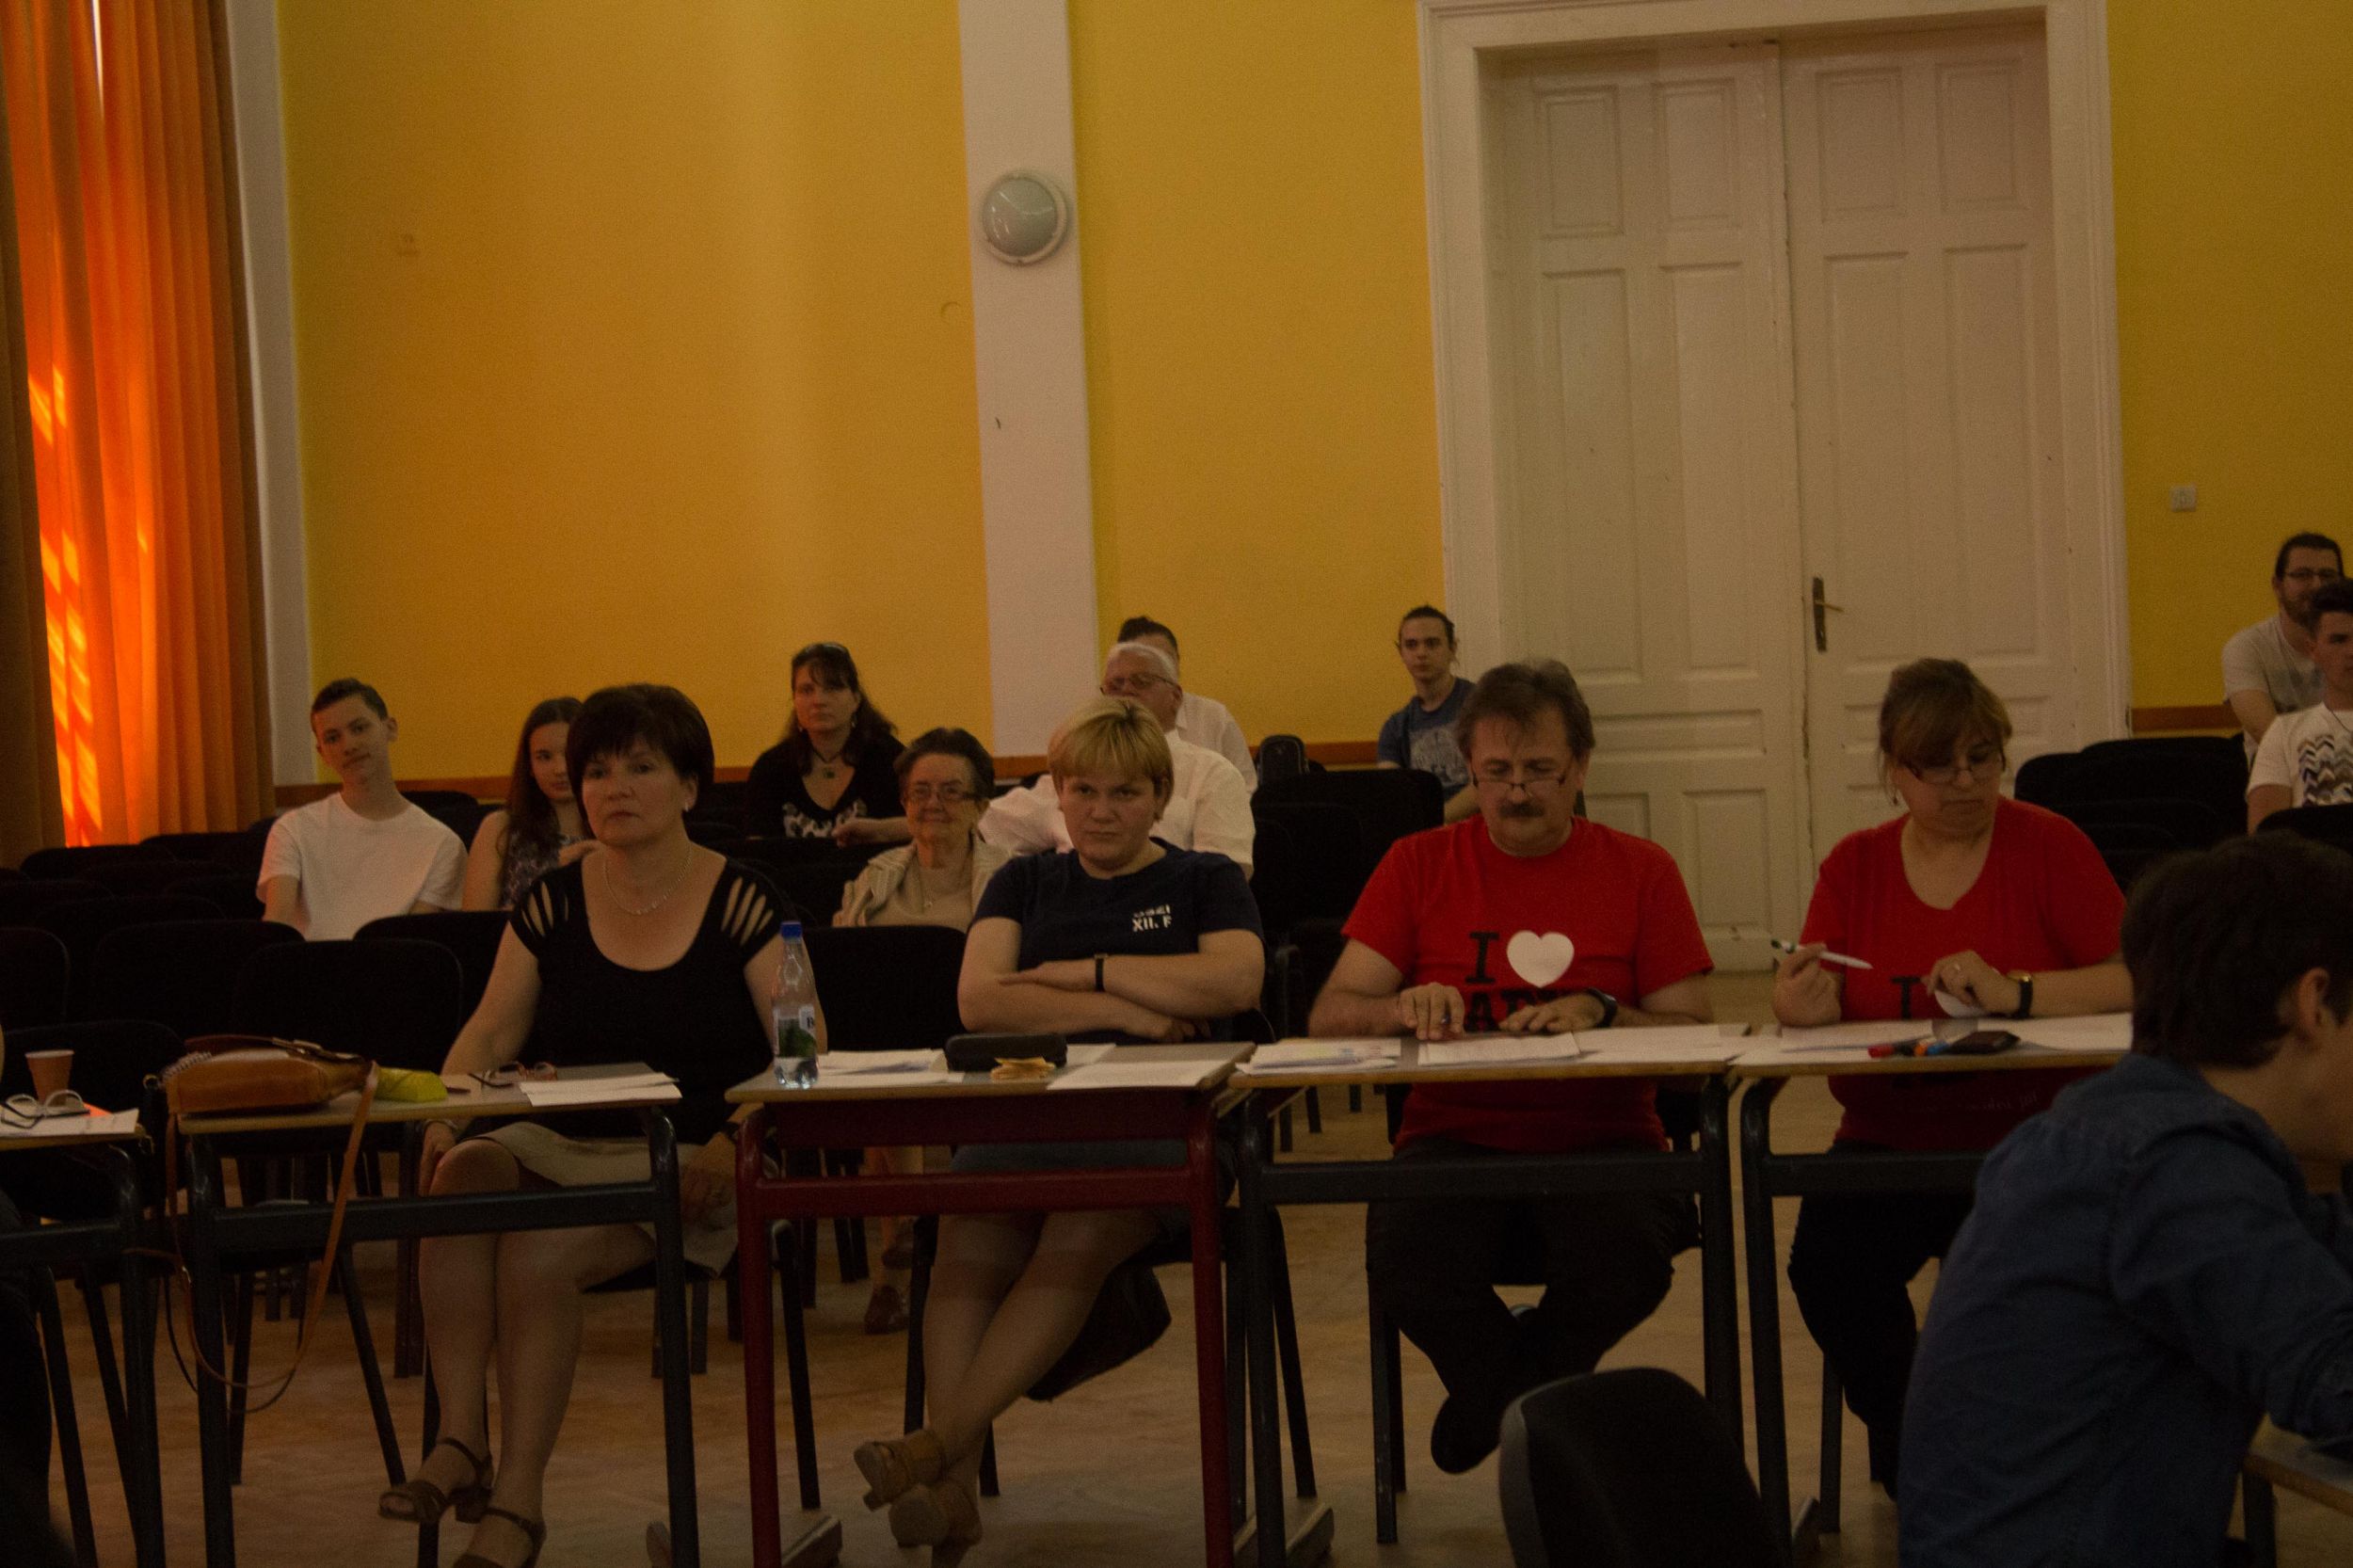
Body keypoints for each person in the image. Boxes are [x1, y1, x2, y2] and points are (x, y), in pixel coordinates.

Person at [386, 684, 806, 1568]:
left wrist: (735, 1138)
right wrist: (444, 1114)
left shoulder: (745, 900)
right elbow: (491, 1032)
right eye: (598, 772)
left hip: (694, 1154)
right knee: (460, 1177)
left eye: (641, 768)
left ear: (690, 787)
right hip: (566, 1137)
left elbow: (802, 1057)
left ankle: (518, 1505)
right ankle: (462, 1437)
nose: (614, 788)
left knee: (537, 1256)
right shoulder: (552, 901)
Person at [852, 697, 1263, 1564]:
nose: (1101, 812)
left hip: (1162, 1124)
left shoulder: (1204, 881)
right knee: (964, 1237)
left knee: (1077, 1229)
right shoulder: (1024, 881)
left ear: (1160, 798)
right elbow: (981, 1000)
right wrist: (1132, 1008)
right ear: (1059, 795)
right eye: (1083, 791)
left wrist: (1084, 971)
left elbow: (1233, 983)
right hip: (1030, 1113)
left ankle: (937, 1450)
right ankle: (954, 1490)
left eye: (1124, 793)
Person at [1901, 833, 2353, 1566]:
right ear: (2314, 1004)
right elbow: (2336, 1379)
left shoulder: (2121, 1127)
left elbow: (2322, 1265)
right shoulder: (2177, 1165)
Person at [1309, 659, 1714, 1473]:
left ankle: (1493, 1410)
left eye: (1540, 771)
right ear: (1469, 769)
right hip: (1452, 1136)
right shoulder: (1418, 863)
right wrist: (1401, 1007)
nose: (1517, 793)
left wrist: (1606, 1012)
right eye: (1496, 773)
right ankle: (1551, 1421)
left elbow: (1695, 1046)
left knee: (1628, 1265)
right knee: (1406, 1266)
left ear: (1581, 768)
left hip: (1607, 1139)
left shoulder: (1643, 870)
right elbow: (1330, 1015)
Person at [1770, 657, 2129, 1496]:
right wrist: (1799, 1006)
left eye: (1982, 757)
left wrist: (2020, 993)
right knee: (1826, 1266)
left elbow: (2136, 977)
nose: (1965, 781)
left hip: (2032, 1138)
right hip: (1887, 1140)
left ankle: (1982, 1463)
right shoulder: (1855, 864)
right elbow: (1814, 989)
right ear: (1895, 772)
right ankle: (1926, 1447)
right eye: (1938, 765)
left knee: (2042, 1287)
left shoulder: (2049, 844)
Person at [835, 726, 1011, 1335]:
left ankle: (899, 1259)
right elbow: (848, 967)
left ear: (981, 805)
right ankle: (907, 1240)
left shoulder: (1010, 877)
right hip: (888, 1050)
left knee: (891, 1086)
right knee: (885, 1066)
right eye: (919, 791)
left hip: (980, 1042)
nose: (933, 803)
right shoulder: (875, 877)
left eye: (951, 792)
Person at [980, 643, 1256, 876]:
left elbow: (1227, 876)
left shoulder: (1212, 773)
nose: (1126, 691)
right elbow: (981, 827)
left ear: (1175, 697)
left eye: (1141, 681)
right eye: (1115, 685)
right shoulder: (1074, 771)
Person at [259, 678, 465, 939]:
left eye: (359, 728)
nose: (349, 746)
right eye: (333, 738)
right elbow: (276, 926)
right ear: (322, 753)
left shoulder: (443, 844)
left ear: (390, 728)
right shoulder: (293, 829)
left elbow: (411, 941)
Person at [744, 642, 908, 845]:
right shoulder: (771, 767)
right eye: (806, 690)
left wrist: (882, 831)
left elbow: (924, 827)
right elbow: (757, 847)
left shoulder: (891, 759)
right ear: (794, 700)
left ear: (856, 699)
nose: (818, 701)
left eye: (832, 688)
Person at [2224, 531, 2342, 760]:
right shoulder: (2247, 647)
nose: (2317, 585)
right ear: (2277, 586)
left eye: (2327, 575)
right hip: (2279, 774)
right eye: (2302, 575)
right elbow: (2266, 733)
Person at [462, 697, 587, 911]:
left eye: (569, 754)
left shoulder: (614, 828)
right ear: (529, 765)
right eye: (544, 757)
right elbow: (476, 921)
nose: (560, 768)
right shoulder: (501, 827)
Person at [2249, 577, 2353, 828]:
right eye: (2338, 640)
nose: (2352, 651)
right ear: (2313, 649)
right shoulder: (2284, 733)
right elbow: (2263, 836)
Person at [1115, 615, 1257, 789]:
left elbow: (1247, 788)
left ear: (1178, 661)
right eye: (1146, 659)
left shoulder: (1215, 717)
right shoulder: (1105, 723)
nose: (1160, 666)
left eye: (1166, 658)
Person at [1376, 605, 1476, 820]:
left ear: (1452, 649)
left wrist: (1435, 823)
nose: (1421, 653)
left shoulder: (1482, 705)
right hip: (1423, 830)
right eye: (1411, 645)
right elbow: (1393, 795)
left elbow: (1489, 783)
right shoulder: (1395, 727)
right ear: (1401, 653)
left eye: (1432, 643)